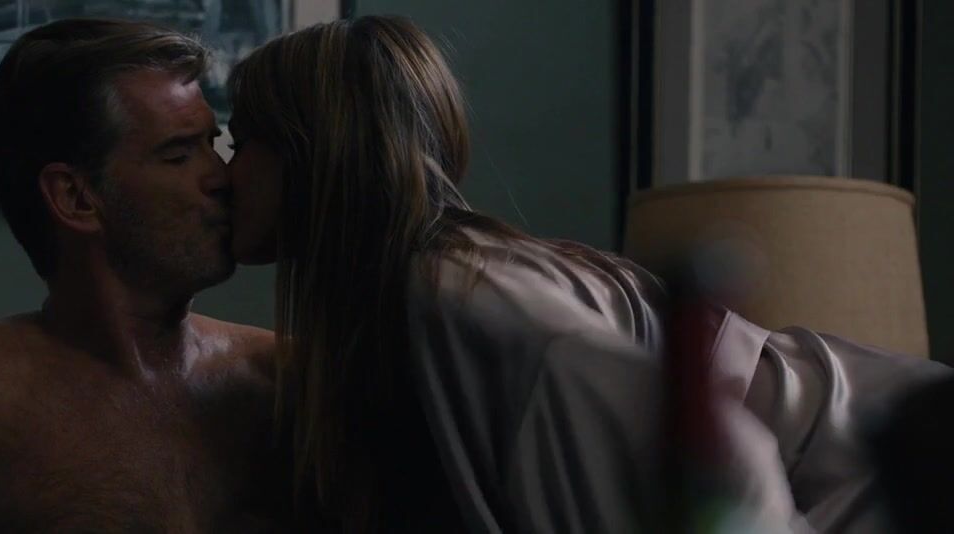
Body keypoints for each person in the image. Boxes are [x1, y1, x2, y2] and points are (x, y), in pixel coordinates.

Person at [224, 15, 948, 533]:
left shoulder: (462, 297)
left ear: (310, 158)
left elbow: (731, 457)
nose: (225, 173)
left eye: (244, 141)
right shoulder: (429, 295)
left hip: (894, 462)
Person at [0, 19, 285, 533]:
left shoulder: (281, 382)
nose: (221, 177)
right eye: (179, 155)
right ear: (76, 197)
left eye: (214, 144)